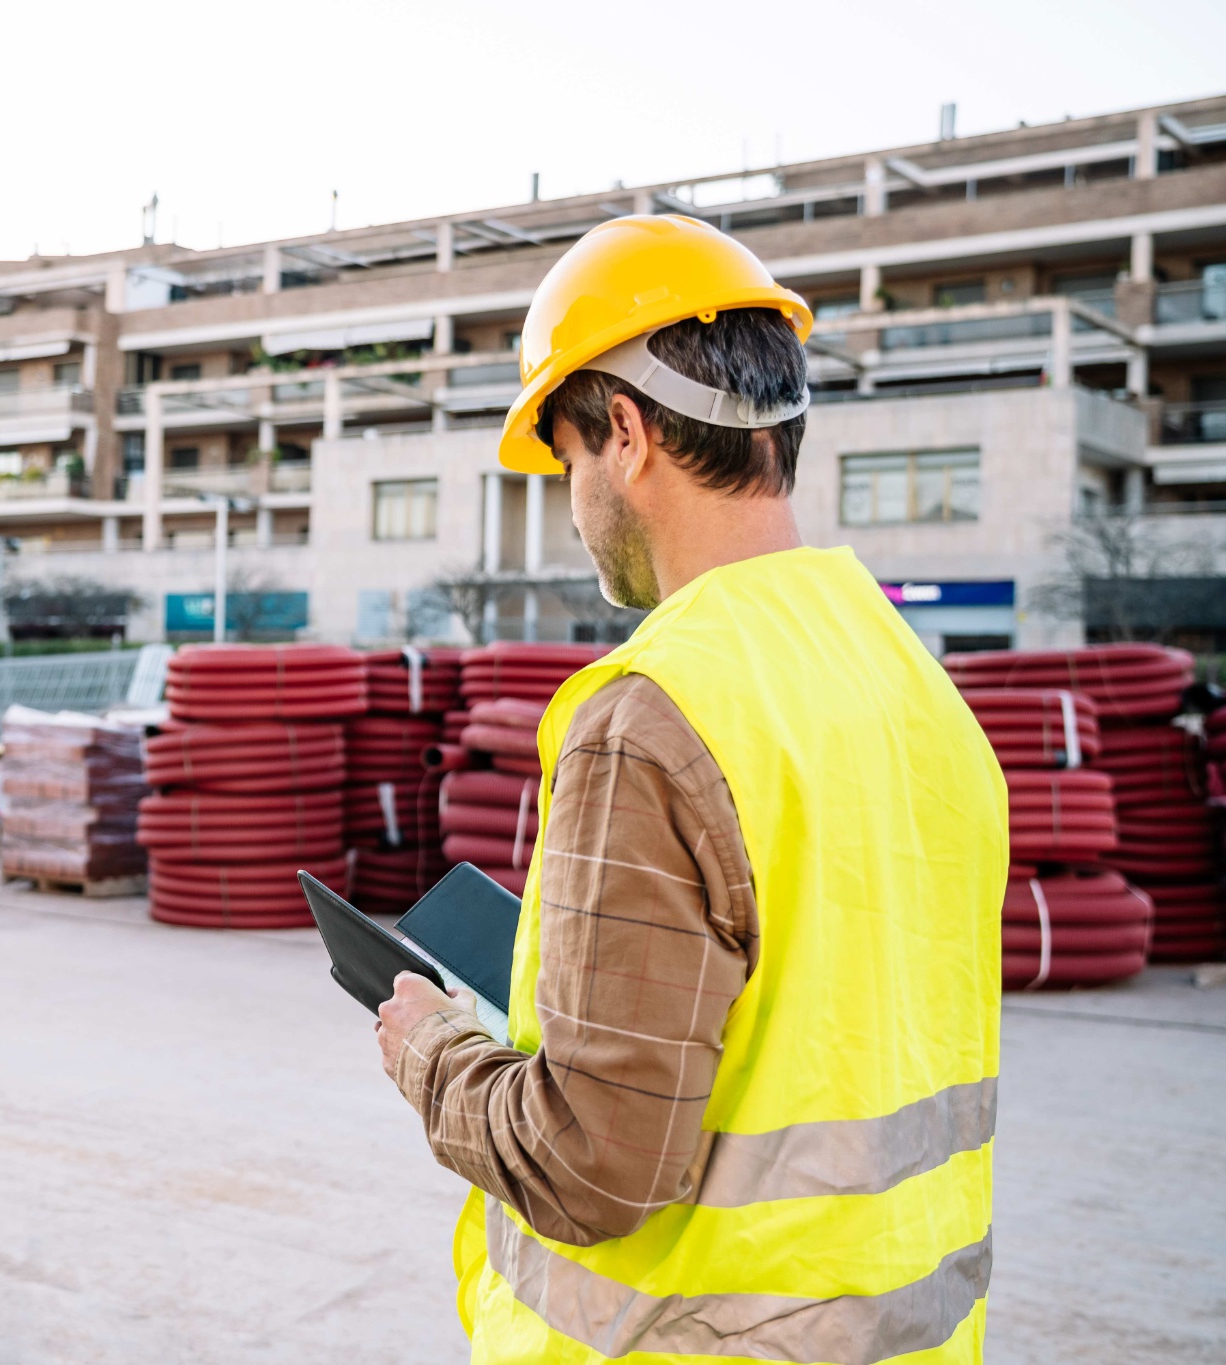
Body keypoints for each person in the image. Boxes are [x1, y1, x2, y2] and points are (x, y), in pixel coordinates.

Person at [373, 215, 1007, 1365]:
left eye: (564, 459)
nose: (572, 504)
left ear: (623, 432)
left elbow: (589, 1163)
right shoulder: (918, 690)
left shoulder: (654, 712)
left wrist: (430, 1048)